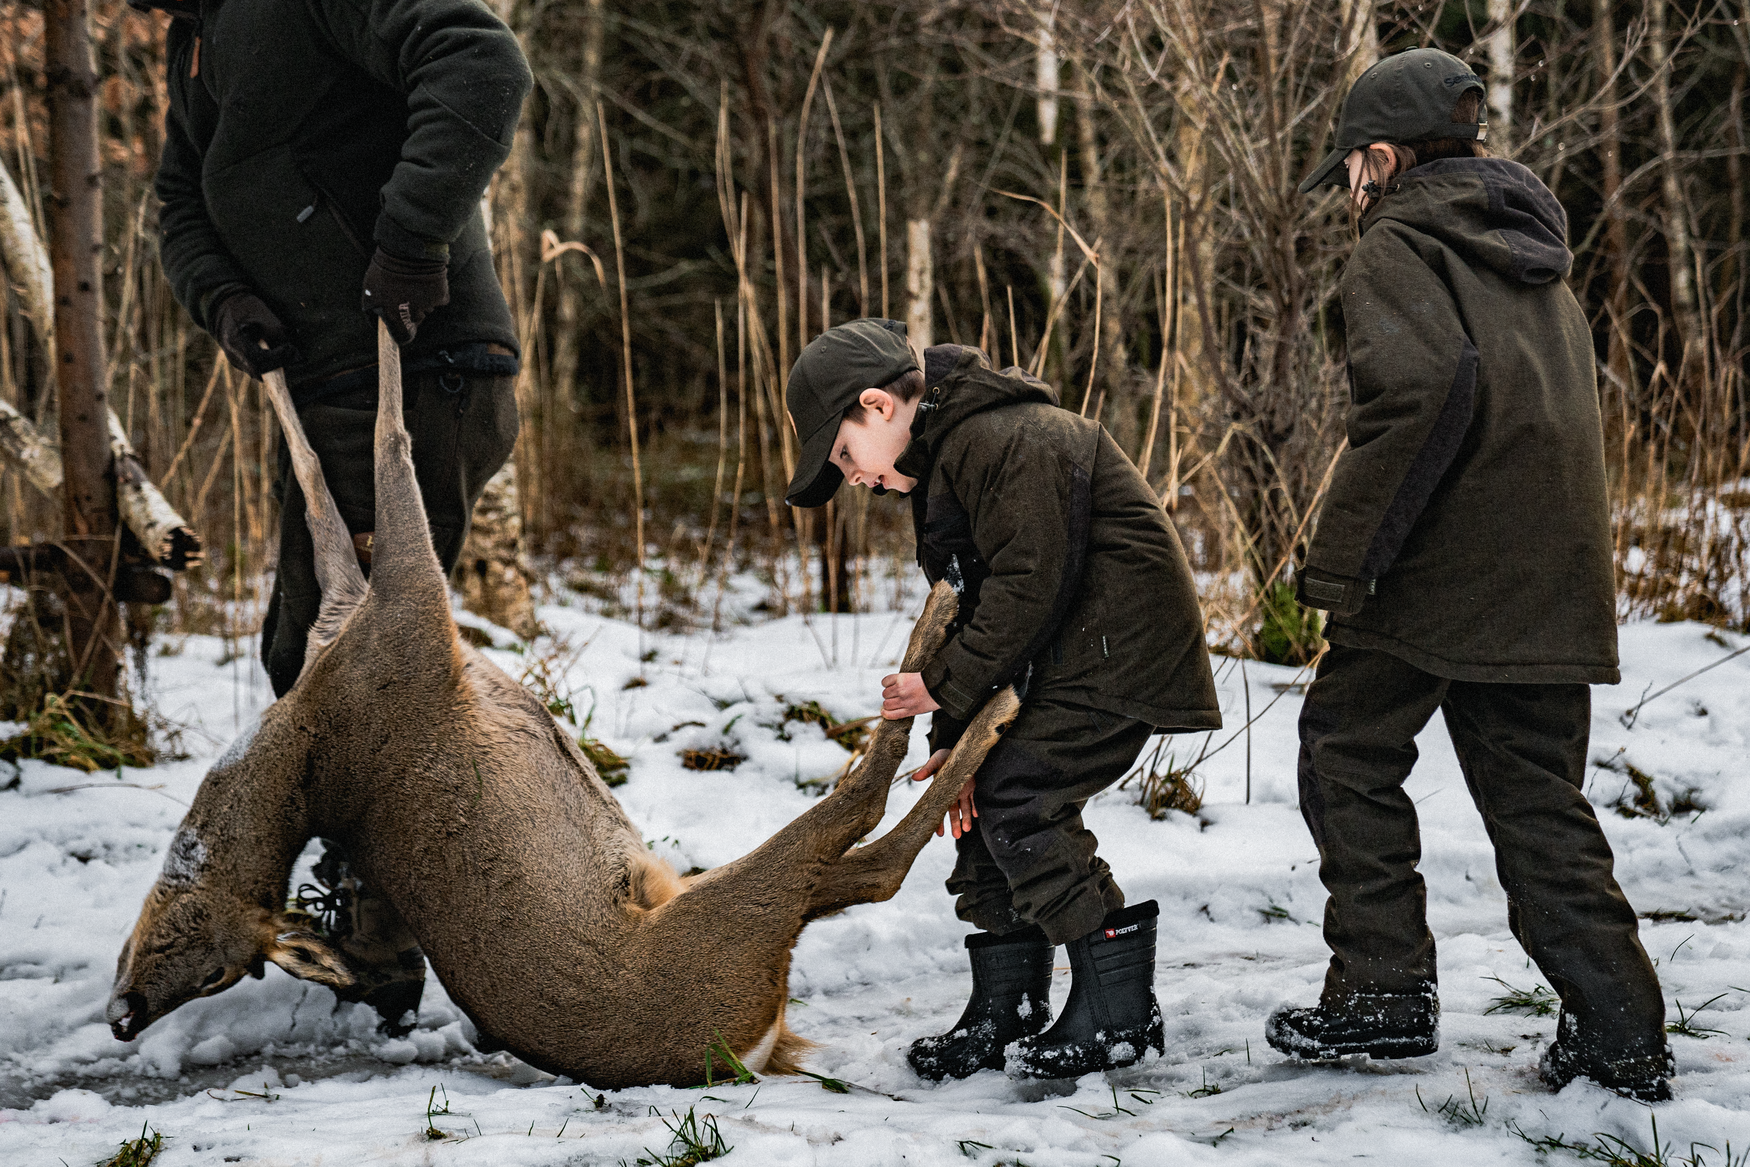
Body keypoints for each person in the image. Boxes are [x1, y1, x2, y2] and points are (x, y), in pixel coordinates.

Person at [1268, 48, 1671, 1101]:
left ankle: (1382, 997)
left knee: (1343, 750)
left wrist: (1342, 568)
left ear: (1386, 158)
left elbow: (1419, 395)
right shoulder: (1530, 258)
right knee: (1540, 803)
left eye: (1353, 168)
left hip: (1440, 568)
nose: (1348, 192)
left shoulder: (1399, 242)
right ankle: (1622, 1031)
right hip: (1552, 571)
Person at [139, 0, 533, 1033]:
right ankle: (380, 911)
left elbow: (481, 60)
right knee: (304, 652)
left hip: (411, 363)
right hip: (322, 380)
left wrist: (408, 240)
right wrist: (223, 297)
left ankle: (417, 933)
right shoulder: (197, 36)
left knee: (360, 672)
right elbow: (179, 200)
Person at [783, 320, 1221, 1080]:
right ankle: (1007, 1007)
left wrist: (945, 690)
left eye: (846, 454)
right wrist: (954, 741)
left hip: (1119, 654)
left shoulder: (1008, 437)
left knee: (1022, 792)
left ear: (879, 405)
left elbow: (1028, 586)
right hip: (1062, 654)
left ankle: (1118, 1009)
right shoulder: (946, 466)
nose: (852, 477)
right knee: (982, 797)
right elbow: (966, 612)